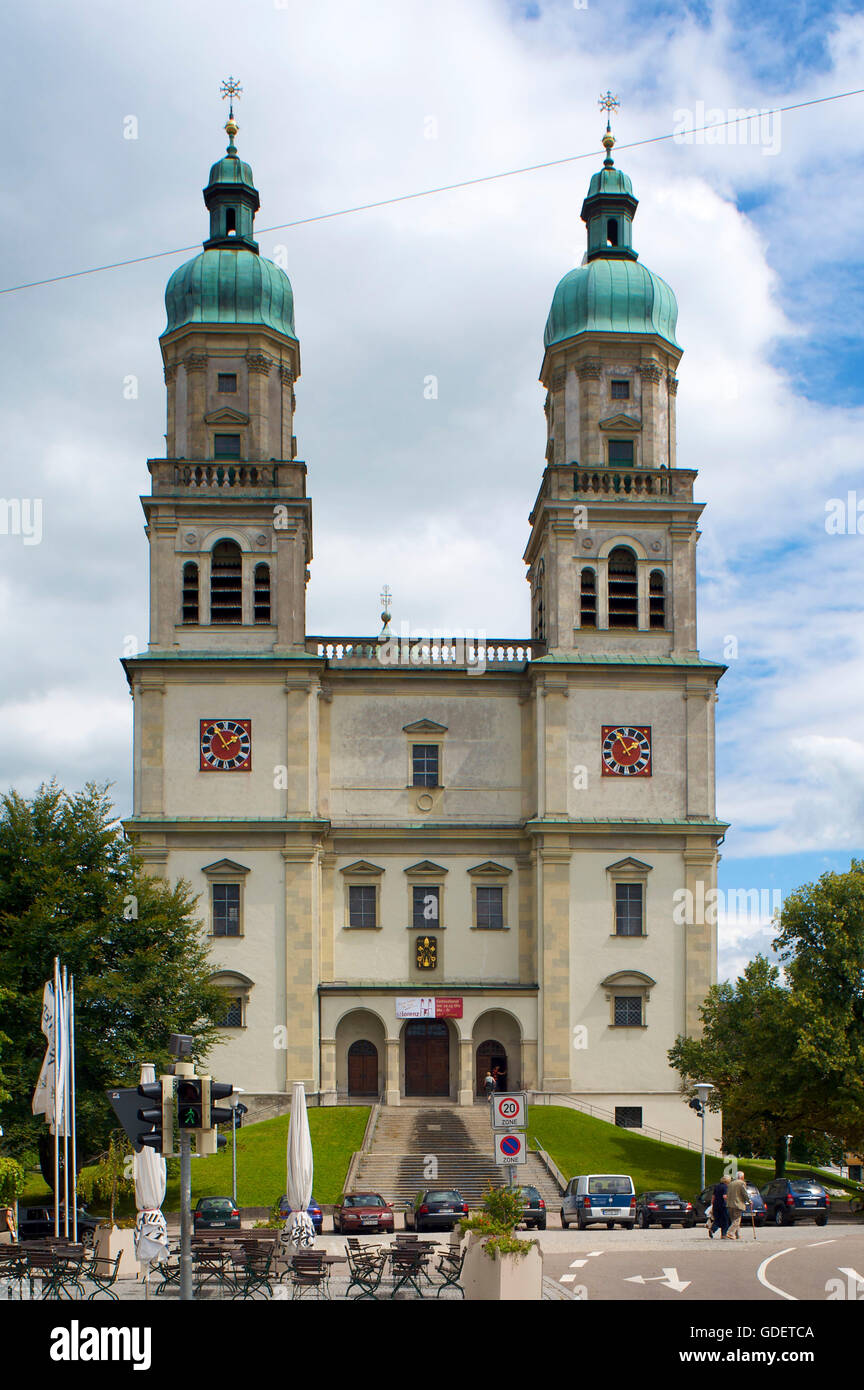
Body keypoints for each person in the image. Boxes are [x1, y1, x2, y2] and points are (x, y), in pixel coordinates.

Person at [726, 1172, 749, 1240]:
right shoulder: (741, 1183)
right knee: (737, 1220)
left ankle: (737, 1235)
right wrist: (749, 1201)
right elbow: (744, 1193)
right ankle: (730, 1233)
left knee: (733, 1220)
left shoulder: (731, 1183)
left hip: (730, 1204)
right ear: (741, 1177)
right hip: (737, 1204)